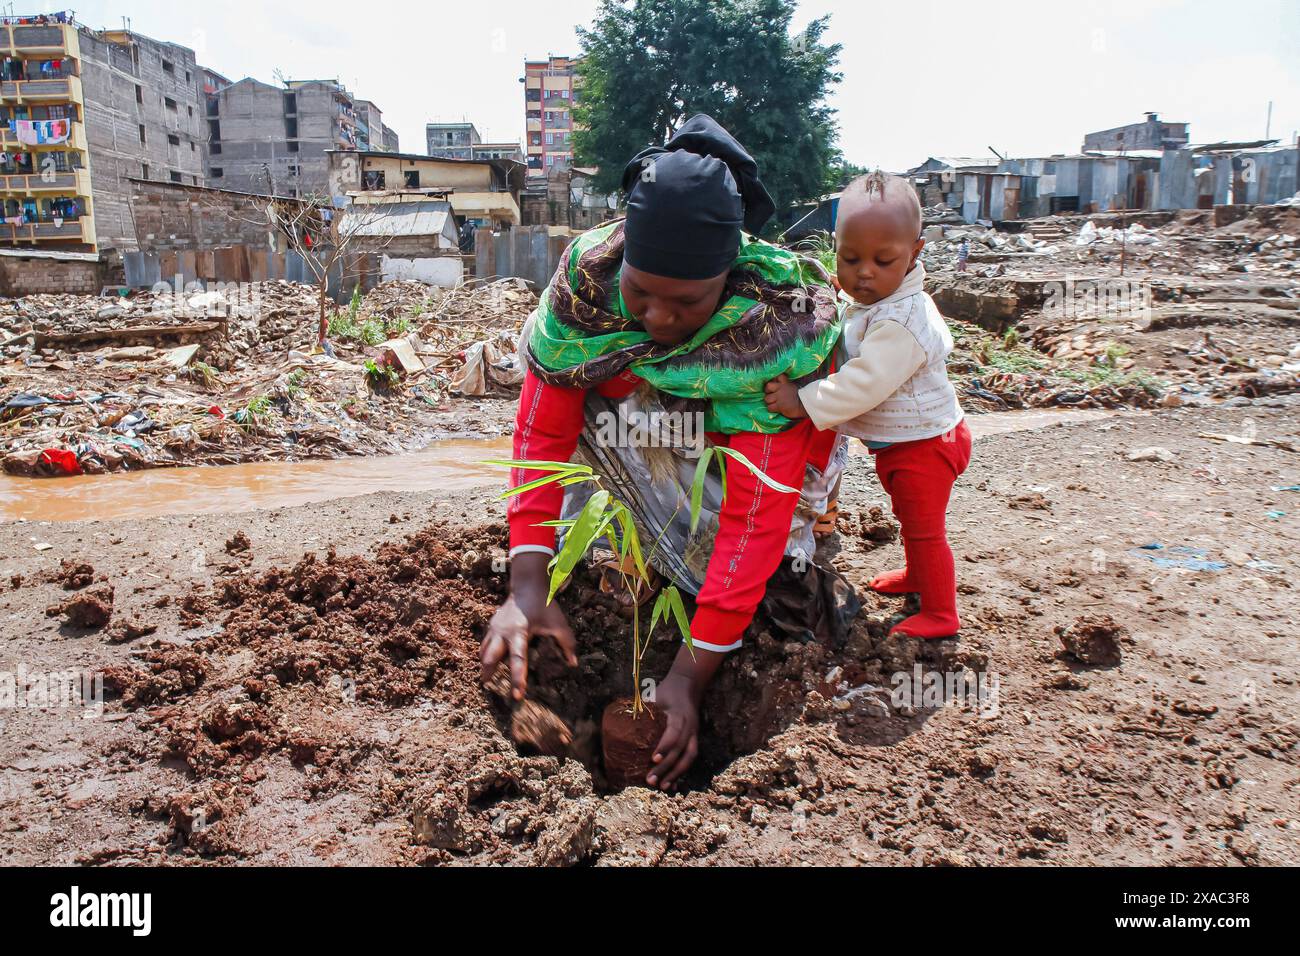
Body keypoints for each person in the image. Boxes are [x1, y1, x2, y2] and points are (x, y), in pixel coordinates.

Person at [480, 115, 846, 790]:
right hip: (647, 442)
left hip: (755, 478)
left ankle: (786, 573)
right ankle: (632, 554)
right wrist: (527, 585)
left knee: (765, 583)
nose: (657, 317)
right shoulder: (586, 291)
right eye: (641, 292)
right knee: (559, 363)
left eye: (687, 302)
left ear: (727, 276)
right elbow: (542, 434)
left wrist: (688, 678)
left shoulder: (772, 328)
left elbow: (757, 508)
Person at [763, 171, 971, 639]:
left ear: (915, 253)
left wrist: (803, 400)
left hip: (928, 445)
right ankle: (919, 578)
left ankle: (941, 613)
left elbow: (864, 382)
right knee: (908, 517)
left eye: (882, 260)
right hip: (905, 442)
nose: (863, 273)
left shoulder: (903, 319)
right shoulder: (872, 300)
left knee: (924, 529)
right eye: (849, 258)